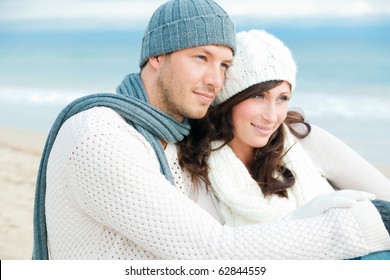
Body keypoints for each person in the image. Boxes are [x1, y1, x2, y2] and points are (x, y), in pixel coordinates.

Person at [32, 0, 389, 260]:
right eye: (201, 58)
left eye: (225, 65)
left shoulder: (175, 136)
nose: (215, 80)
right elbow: (210, 251)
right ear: (158, 56)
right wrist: (365, 223)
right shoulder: (100, 135)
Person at [177, 29, 390, 259]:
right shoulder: (197, 167)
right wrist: (306, 221)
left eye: (282, 98)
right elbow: (217, 254)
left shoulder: (304, 140)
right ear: (228, 100)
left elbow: (385, 197)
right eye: (258, 96)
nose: (271, 116)